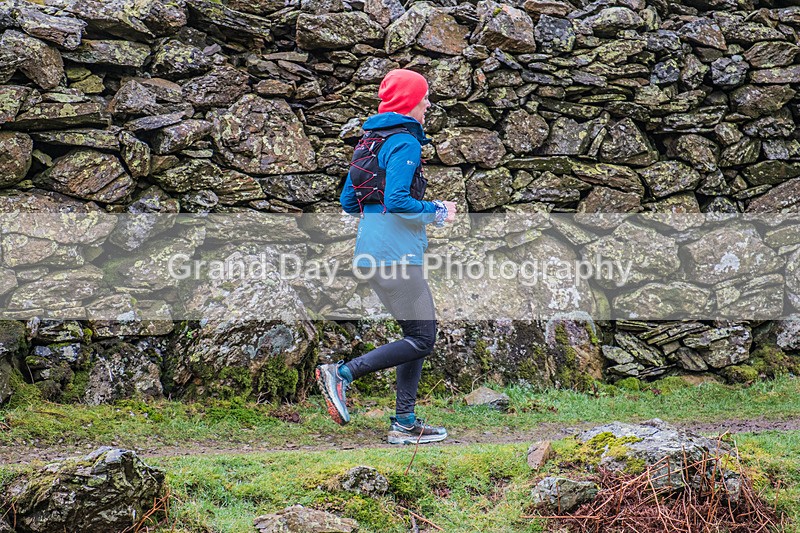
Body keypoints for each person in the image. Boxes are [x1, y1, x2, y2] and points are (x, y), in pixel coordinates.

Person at [315, 69, 456, 445]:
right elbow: (397, 200)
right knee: (424, 338)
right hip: (397, 254)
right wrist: (437, 210)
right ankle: (341, 374)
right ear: (411, 101)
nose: (428, 104)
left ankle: (405, 423)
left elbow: (349, 201)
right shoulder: (406, 142)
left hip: (370, 252)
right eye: (425, 97)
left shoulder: (369, 142)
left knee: (416, 335)